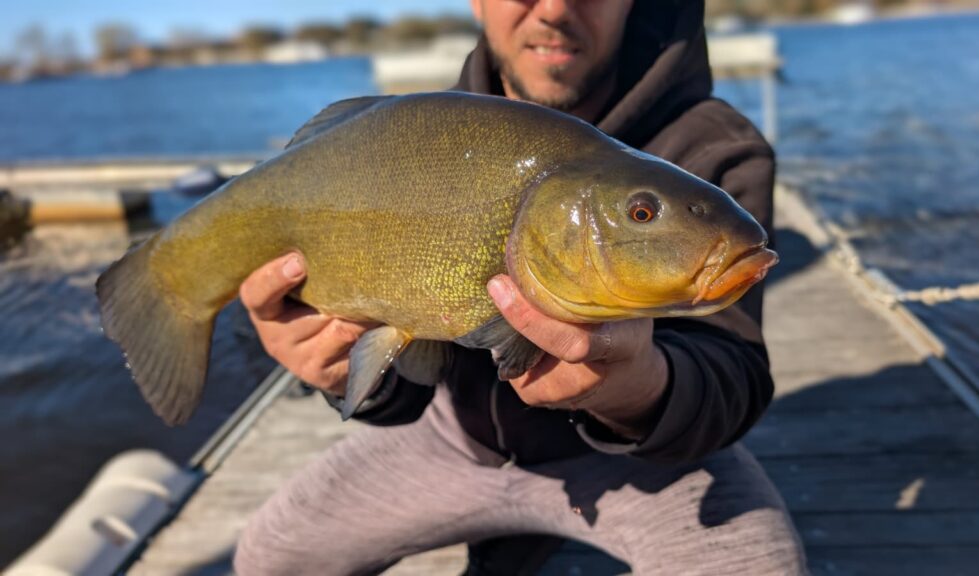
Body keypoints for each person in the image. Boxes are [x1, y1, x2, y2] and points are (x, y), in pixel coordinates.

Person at [233, 1, 807, 574]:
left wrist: (636, 389)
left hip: (648, 466)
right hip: (451, 438)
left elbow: (734, 379)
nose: (555, 8)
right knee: (267, 556)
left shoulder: (717, 148)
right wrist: (337, 370)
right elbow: (408, 389)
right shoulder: (420, 136)